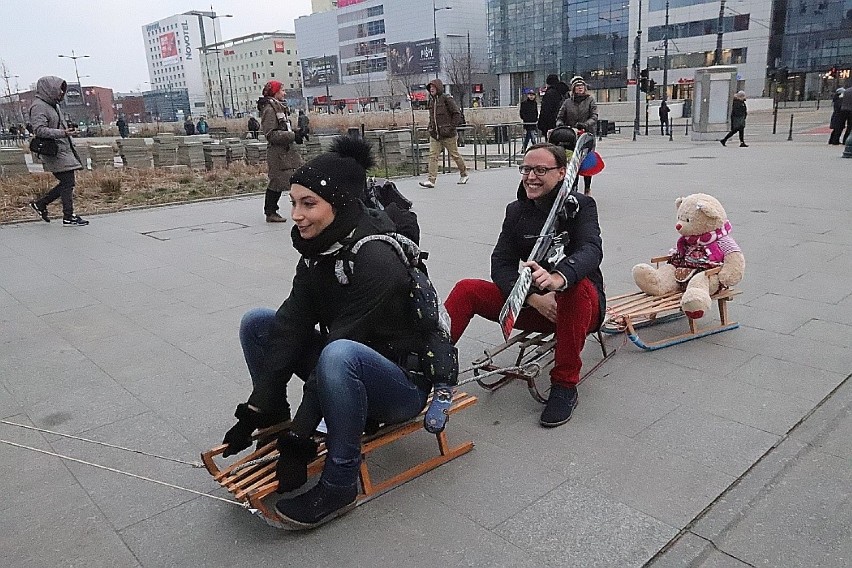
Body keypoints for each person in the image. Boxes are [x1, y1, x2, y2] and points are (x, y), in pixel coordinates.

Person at [220, 136, 455, 529]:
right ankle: (272, 423)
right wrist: (256, 409)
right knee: (259, 323)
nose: (296, 214)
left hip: (399, 387)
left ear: (341, 204)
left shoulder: (376, 258)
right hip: (344, 369)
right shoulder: (320, 250)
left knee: (340, 351)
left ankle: (340, 481)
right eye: (293, 202)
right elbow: (290, 325)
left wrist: (301, 438)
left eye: (308, 204)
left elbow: (341, 341)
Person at [444, 143, 604, 427]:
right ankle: (433, 366)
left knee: (572, 289)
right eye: (526, 169)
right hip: (536, 305)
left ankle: (565, 385)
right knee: (467, 289)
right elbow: (501, 263)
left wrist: (558, 278)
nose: (531, 176)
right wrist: (531, 297)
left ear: (562, 173)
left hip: (581, 307)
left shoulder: (581, 207)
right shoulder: (516, 211)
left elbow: (592, 250)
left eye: (541, 170)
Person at [27, 76, 88, 226]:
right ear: (50, 89)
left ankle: (42, 204)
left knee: (67, 182)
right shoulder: (39, 107)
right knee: (68, 182)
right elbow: (39, 130)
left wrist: (68, 130)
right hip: (53, 150)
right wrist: (63, 133)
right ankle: (68, 215)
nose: (62, 93)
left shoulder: (54, 105)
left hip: (63, 148)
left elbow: (58, 125)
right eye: (59, 90)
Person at [258, 80, 303, 223]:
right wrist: (292, 136)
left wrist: (298, 133)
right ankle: (270, 212)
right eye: (282, 90)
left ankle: (299, 206)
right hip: (277, 154)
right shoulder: (270, 110)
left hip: (286, 151)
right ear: (275, 92)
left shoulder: (279, 108)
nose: (285, 93)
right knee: (276, 182)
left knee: (296, 177)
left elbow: (283, 129)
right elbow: (270, 134)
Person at [418, 79, 468, 188]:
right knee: (433, 156)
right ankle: (431, 180)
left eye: (433, 87)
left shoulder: (446, 99)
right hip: (435, 134)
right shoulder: (431, 101)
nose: (431, 89)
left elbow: (456, 114)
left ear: (438, 88)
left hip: (448, 135)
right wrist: (430, 127)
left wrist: (451, 128)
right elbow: (432, 117)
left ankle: (464, 174)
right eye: (430, 87)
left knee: (455, 155)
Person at [556, 76, 598, 195]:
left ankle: (587, 188)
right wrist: (560, 125)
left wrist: (585, 125)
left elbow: (594, 116)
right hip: (572, 136)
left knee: (586, 162)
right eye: (578, 87)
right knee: (572, 162)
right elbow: (560, 117)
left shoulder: (590, 100)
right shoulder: (567, 102)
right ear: (573, 89)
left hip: (587, 135)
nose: (580, 88)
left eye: (582, 86)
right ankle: (573, 188)